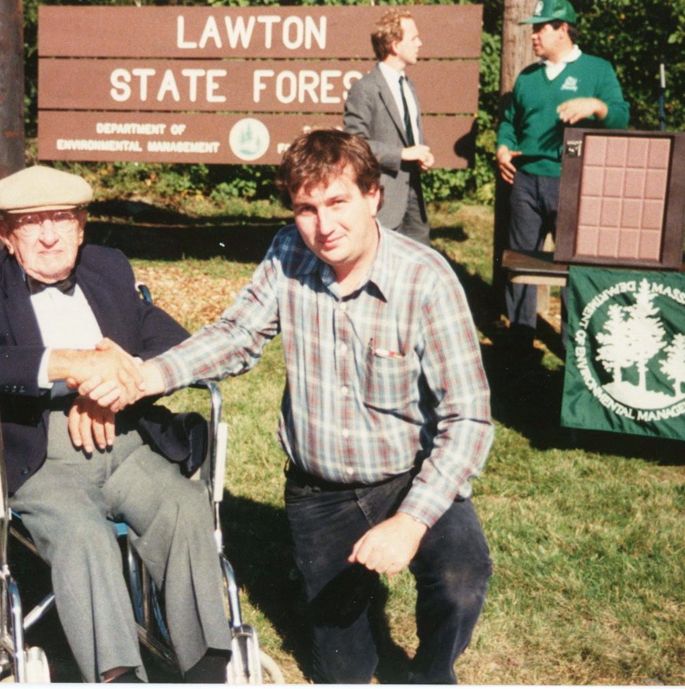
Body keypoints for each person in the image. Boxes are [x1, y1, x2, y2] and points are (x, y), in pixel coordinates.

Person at [81, 130, 493, 684]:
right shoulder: (289, 251)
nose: (325, 226)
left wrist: (411, 521)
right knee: (341, 671)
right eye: (307, 208)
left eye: (339, 202)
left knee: (461, 577)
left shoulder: (426, 278)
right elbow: (237, 335)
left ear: (374, 196)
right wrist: (146, 376)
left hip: (409, 473)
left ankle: (431, 674)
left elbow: (467, 417)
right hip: (318, 490)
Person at [0, 165, 232, 683]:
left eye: (63, 220)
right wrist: (66, 364)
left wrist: (117, 387)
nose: (49, 236)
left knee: (184, 507)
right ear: (7, 234)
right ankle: (117, 674)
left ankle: (206, 666)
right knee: (84, 536)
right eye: (32, 223)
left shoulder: (108, 269)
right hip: (41, 455)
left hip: (128, 444)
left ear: (82, 226)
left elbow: (175, 343)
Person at [496, 0, 629, 351]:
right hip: (525, 181)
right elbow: (509, 123)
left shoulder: (597, 70)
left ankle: (575, 345)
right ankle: (519, 340)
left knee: (574, 265)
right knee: (522, 261)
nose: (534, 35)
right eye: (533, 28)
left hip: (573, 180)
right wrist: (502, 148)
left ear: (563, 29)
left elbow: (620, 117)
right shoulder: (527, 77)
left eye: (540, 28)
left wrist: (596, 107)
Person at [344, 8, 435, 245]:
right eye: (413, 38)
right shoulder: (365, 88)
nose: (420, 43)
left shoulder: (409, 86)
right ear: (395, 45)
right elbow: (355, 144)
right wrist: (402, 154)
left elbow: (409, 135)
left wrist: (421, 154)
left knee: (418, 265)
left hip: (414, 196)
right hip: (383, 199)